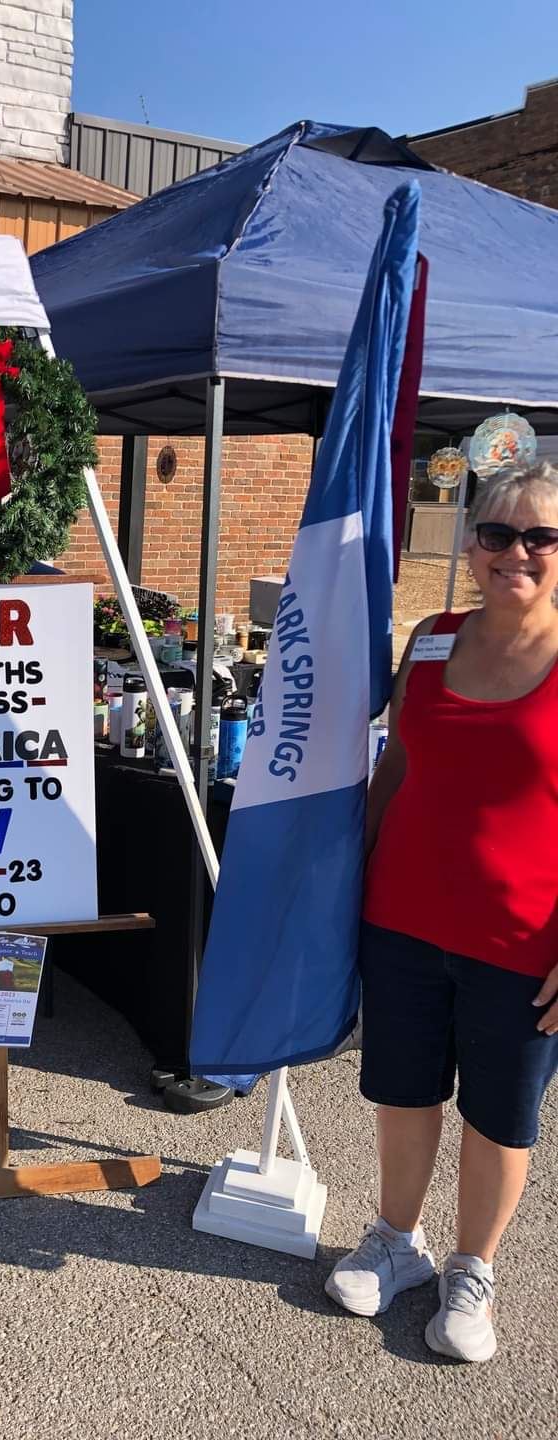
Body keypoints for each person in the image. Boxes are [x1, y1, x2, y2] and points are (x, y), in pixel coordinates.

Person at [325, 461, 558, 1363]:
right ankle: (397, 1239)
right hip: (403, 919)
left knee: (500, 1116)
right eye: (497, 534)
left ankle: (473, 1270)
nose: (517, 554)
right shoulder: (430, 638)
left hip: (520, 940)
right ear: (470, 546)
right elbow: (394, 767)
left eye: (540, 536)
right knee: (403, 1090)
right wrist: (352, 880)